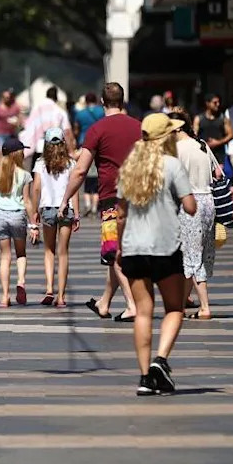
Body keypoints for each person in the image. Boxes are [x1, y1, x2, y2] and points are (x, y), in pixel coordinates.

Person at [116, 113, 197, 396]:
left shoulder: (130, 167)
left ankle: (144, 378)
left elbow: (121, 214)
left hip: (134, 248)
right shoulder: (173, 166)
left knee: (143, 313)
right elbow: (190, 207)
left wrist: (120, 247)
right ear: (165, 137)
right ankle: (160, 361)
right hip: (165, 247)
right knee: (175, 308)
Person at [60, 83, 140, 322]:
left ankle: (132, 305)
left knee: (114, 252)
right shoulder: (138, 126)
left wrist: (65, 200)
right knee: (116, 252)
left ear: (103, 103)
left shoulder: (97, 129)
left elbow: (80, 170)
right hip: (139, 197)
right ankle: (104, 303)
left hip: (111, 199)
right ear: (122, 101)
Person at [170, 112, 217, 320]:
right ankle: (182, 302)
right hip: (209, 201)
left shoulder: (176, 149)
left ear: (177, 128)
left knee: (191, 256)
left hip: (189, 203)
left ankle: (205, 307)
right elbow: (218, 174)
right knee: (200, 253)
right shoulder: (202, 144)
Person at [0, 138, 35, 307]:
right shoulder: (25, 175)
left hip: (0, 216)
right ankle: (21, 281)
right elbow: (27, 201)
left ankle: (4, 296)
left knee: (5, 257)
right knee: (21, 253)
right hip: (18, 216)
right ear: (18, 154)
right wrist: (33, 224)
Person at [32, 128, 80, 307]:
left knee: (49, 250)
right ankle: (61, 297)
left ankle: (49, 288)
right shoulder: (71, 163)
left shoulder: (40, 163)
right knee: (63, 252)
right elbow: (73, 189)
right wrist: (76, 213)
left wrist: (35, 210)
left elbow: (36, 187)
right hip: (65, 208)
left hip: (47, 208)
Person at [21, 86, 75, 158]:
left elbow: (28, 125)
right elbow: (67, 131)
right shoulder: (59, 111)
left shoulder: (36, 108)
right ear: (56, 97)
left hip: (37, 147)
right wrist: (71, 151)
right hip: (54, 147)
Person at [74, 93, 105, 216]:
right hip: (99, 144)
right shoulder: (101, 112)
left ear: (86, 101)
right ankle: (94, 207)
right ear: (96, 100)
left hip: (84, 143)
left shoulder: (80, 113)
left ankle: (87, 204)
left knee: (85, 174)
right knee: (97, 175)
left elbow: (76, 129)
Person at [193, 93, 233, 171]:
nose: (218, 105)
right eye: (215, 102)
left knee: (219, 176)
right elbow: (194, 136)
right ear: (207, 103)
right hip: (203, 154)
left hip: (219, 156)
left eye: (219, 102)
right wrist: (204, 144)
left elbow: (231, 135)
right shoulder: (199, 119)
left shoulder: (223, 118)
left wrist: (218, 142)